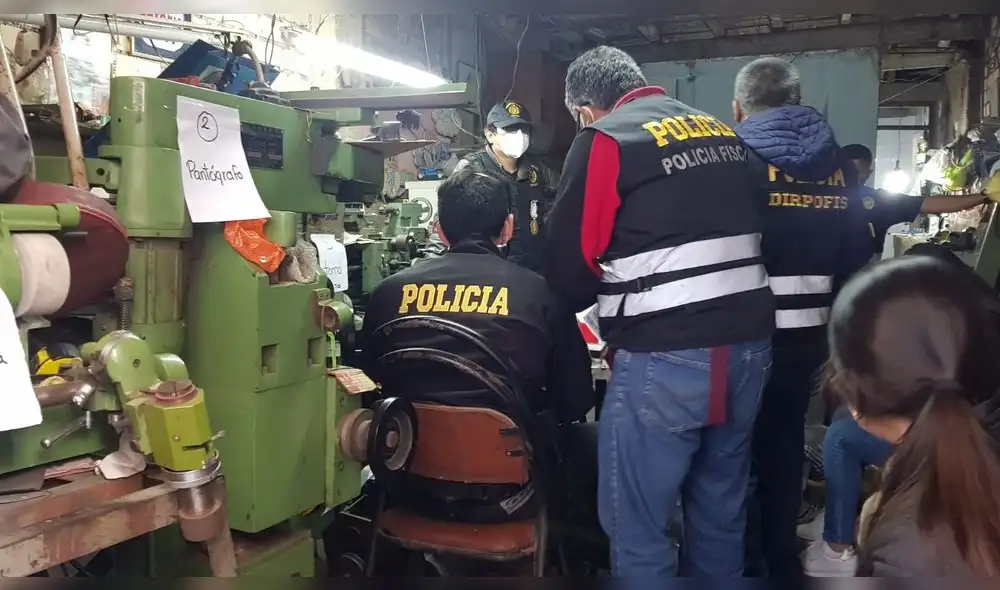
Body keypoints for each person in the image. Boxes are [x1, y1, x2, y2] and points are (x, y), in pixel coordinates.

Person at [546, 45, 774, 578]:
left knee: (638, 527)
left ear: (584, 109)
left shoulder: (607, 140)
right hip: (750, 351)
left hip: (666, 359)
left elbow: (566, 265)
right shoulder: (725, 135)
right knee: (720, 515)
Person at [359, 166, 596, 525]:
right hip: (511, 495)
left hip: (406, 482)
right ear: (508, 228)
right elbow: (576, 400)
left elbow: (367, 390)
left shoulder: (387, 293)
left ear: (439, 228)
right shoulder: (540, 295)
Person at [730, 57, 863, 578]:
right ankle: (782, 558)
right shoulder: (839, 162)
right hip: (810, 336)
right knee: (785, 443)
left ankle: (743, 563)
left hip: (747, 331)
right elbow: (856, 250)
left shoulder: (736, 156)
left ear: (739, 108)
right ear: (799, 100)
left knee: (734, 452)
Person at [798, 241, 998, 577]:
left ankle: (836, 548)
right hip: (974, 436)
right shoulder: (973, 322)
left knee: (842, 436)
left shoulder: (906, 547)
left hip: (966, 445)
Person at [453, 101, 558, 273]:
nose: (519, 135)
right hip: (489, 272)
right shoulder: (472, 169)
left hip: (534, 272)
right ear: (490, 133)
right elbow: (449, 217)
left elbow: (561, 205)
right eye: (509, 129)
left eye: (524, 130)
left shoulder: (539, 169)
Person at [841, 144, 993, 259]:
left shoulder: (880, 202)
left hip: (861, 278)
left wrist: (985, 196)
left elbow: (931, 203)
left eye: (857, 174)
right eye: (847, 173)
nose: (852, 179)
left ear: (869, 173)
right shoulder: (820, 196)